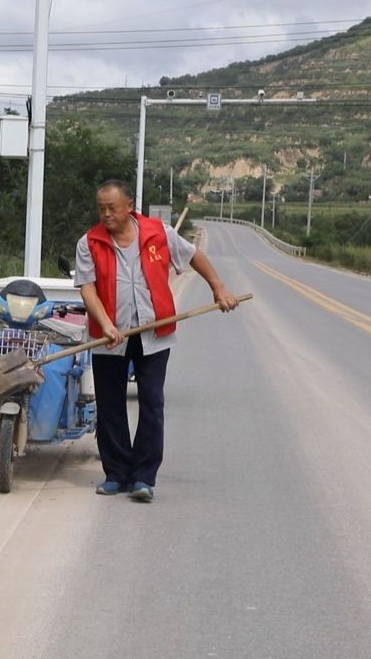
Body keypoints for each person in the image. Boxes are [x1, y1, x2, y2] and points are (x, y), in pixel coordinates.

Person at [74, 179, 239, 502]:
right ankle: (116, 474)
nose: (106, 214)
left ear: (129, 207)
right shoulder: (89, 242)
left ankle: (144, 477)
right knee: (110, 406)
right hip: (109, 337)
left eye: (112, 208)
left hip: (154, 333)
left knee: (151, 402)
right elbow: (88, 288)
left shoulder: (158, 233)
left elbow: (194, 256)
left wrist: (218, 287)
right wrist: (106, 324)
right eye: (101, 208)